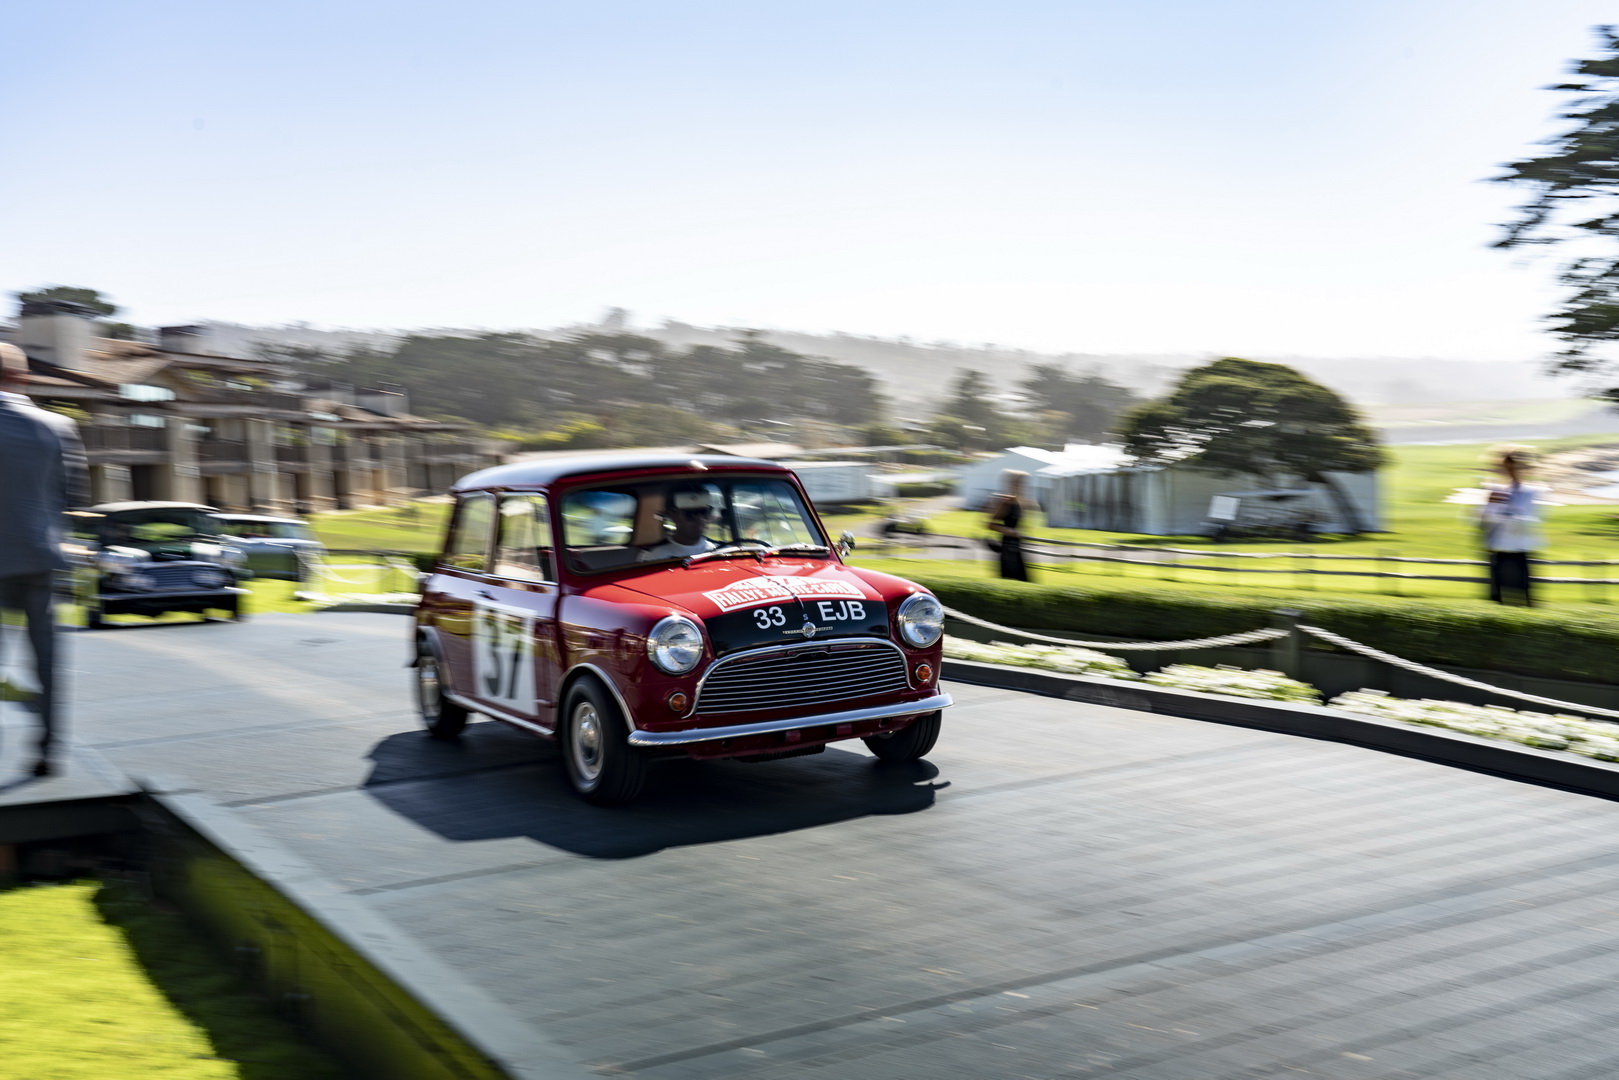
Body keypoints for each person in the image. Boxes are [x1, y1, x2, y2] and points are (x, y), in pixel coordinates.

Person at [0, 343, 87, 777]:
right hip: (39, 557)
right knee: (47, 662)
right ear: (22, 377)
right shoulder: (58, 426)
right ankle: (48, 753)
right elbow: (73, 497)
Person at [1478, 446, 1541, 606]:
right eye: (1507, 467)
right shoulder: (1497, 491)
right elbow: (1482, 520)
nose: (1510, 471)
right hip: (1499, 548)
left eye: (1514, 467)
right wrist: (1491, 504)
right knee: (1497, 598)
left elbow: (1527, 519)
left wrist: (1500, 508)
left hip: (1520, 548)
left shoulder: (1531, 492)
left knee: (1525, 596)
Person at [637, 482, 719, 562]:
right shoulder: (653, 556)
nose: (699, 519)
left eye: (703, 512)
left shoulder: (720, 550)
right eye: (690, 514)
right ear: (672, 515)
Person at [985, 469, 1033, 582]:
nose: (1023, 486)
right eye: (1020, 483)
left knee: (1024, 581)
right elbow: (989, 524)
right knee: (1012, 581)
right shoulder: (1006, 502)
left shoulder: (1021, 502)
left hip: (1017, 547)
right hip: (1007, 549)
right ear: (1013, 484)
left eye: (1024, 483)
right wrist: (1010, 531)